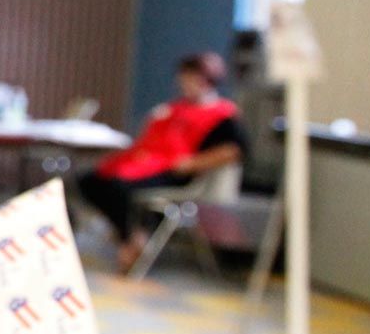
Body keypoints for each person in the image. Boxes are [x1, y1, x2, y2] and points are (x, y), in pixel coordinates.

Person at [77, 52, 246, 272]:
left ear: (205, 80)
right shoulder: (173, 108)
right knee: (90, 180)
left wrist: (193, 163)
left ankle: (133, 240)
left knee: (118, 188)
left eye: (189, 78)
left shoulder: (222, 114)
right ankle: (131, 235)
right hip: (147, 165)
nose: (183, 83)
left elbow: (233, 151)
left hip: (177, 173)